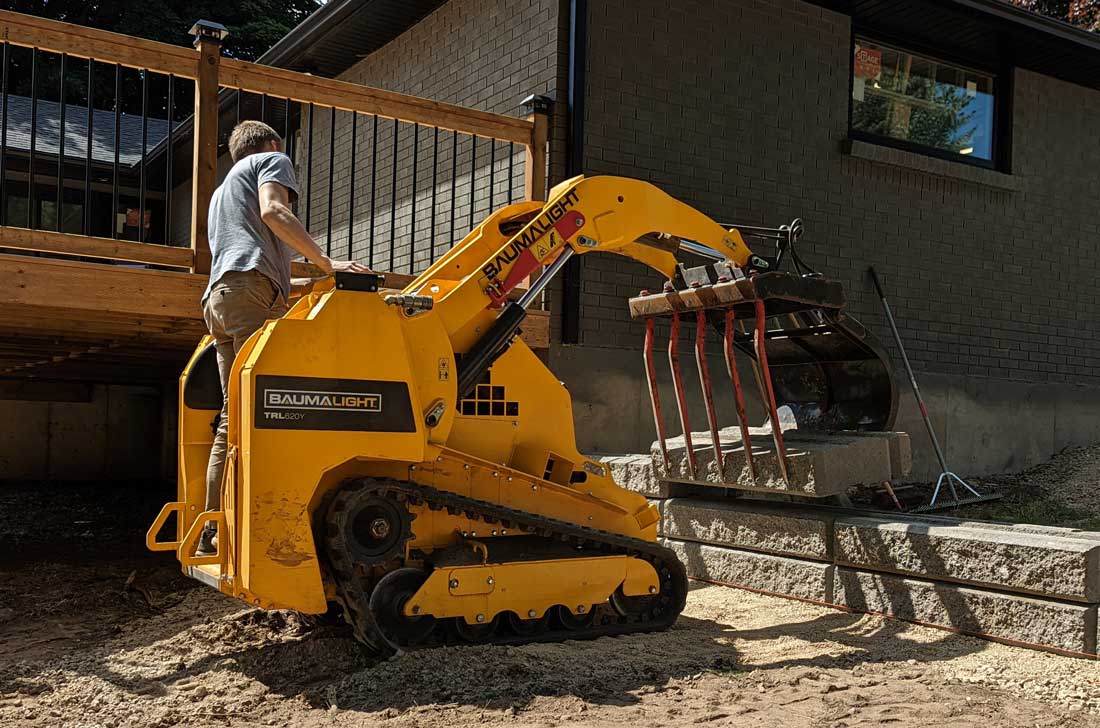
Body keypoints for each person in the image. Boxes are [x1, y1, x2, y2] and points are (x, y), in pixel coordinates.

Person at [196, 120, 371, 555]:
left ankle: (212, 531)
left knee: (233, 418)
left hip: (220, 301)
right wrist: (330, 264)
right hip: (248, 294)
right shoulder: (272, 159)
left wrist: (311, 278)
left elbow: (253, 256)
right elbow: (276, 213)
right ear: (272, 145)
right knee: (277, 409)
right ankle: (269, 535)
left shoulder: (222, 193)